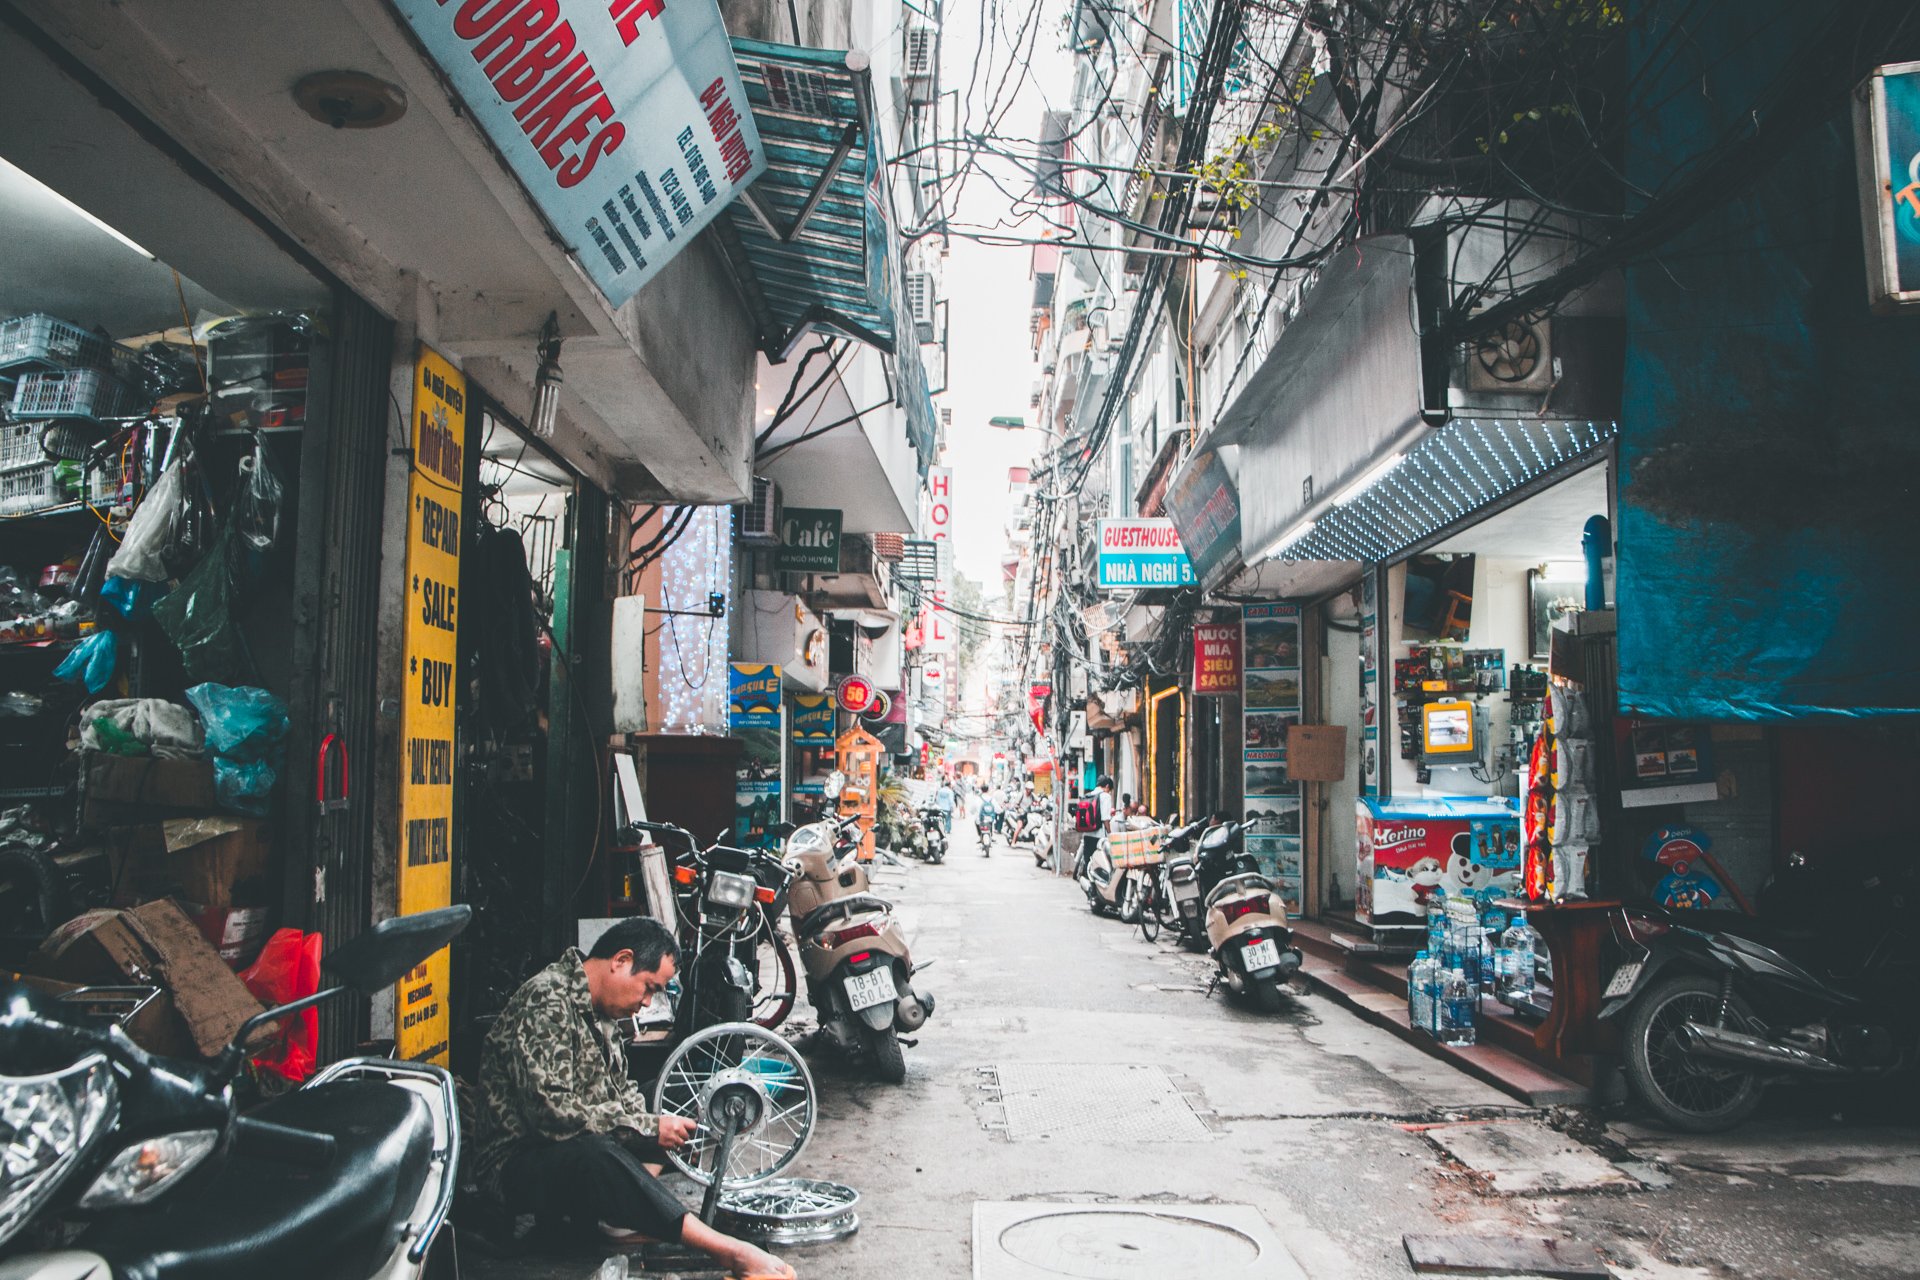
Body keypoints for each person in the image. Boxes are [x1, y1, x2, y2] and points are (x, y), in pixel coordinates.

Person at [472, 918, 795, 1277]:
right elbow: (552, 1116)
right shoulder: (545, 1000)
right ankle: (727, 1251)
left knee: (680, 1101)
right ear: (621, 960)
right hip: (515, 1166)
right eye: (648, 988)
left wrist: (657, 1124)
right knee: (599, 1155)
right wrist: (649, 1129)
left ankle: (625, 1206)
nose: (646, 1002)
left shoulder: (603, 1010)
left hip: (574, 1144)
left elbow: (624, 1096)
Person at [1074, 775, 1115, 878]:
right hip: (1099, 835)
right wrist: (1110, 833)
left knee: (1088, 861)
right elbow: (1106, 818)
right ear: (1107, 786)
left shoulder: (1088, 795)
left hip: (1087, 834)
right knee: (1100, 862)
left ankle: (1088, 883)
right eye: (1109, 790)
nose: (1109, 792)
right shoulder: (1105, 796)